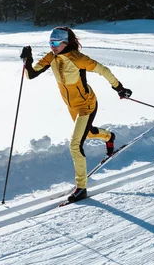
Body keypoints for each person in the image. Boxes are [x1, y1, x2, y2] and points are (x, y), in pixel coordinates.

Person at [21, 26, 132, 203]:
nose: (53, 46)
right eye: (50, 42)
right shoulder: (52, 57)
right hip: (72, 106)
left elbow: (103, 70)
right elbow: (31, 75)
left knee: (75, 144)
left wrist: (119, 88)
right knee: (86, 134)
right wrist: (28, 59)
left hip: (87, 104)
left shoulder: (78, 59)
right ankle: (109, 136)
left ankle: (81, 188)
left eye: (56, 42)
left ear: (66, 42)